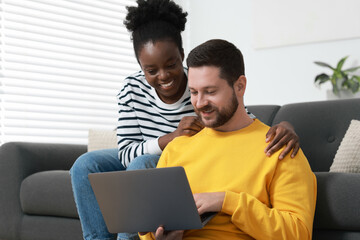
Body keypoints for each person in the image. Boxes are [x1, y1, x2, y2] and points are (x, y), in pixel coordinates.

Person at [70, 1, 300, 240]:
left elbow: (243, 122)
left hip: (161, 159)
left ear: (182, 56)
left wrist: (286, 126)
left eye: (171, 65)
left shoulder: (199, 77)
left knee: (141, 168)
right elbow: (126, 152)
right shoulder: (133, 89)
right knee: (86, 165)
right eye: (151, 70)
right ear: (140, 67)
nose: (164, 76)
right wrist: (170, 139)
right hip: (161, 148)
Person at [140, 39, 317, 240]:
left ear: (240, 86)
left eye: (210, 91)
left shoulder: (280, 147)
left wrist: (227, 202)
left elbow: (299, 234)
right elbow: (150, 228)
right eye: (194, 92)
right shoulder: (177, 149)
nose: (199, 103)